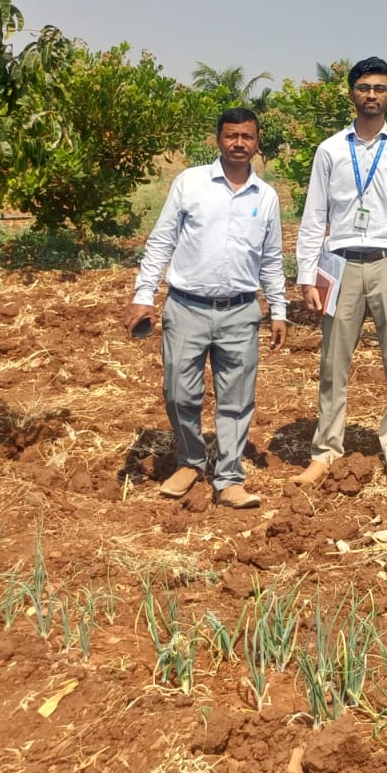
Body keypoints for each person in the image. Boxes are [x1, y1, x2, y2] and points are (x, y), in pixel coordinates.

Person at [125, 107, 287, 509]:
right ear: (218, 139)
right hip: (186, 307)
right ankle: (190, 461)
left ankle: (229, 477)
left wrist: (278, 308)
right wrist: (144, 294)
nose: (238, 143)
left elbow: (270, 259)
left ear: (256, 141)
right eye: (231, 136)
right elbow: (161, 241)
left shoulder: (265, 197)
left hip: (240, 311)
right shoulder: (190, 183)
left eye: (246, 137)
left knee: (237, 398)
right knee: (180, 393)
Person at [293, 57, 387, 492]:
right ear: (351, 92)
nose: (372, 94)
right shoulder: (331, 149)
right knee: (334, 361)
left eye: (380, 88)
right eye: (364, 87)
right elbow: (315, 215)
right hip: (341, 263)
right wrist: (306, 272)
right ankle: (326, 451)